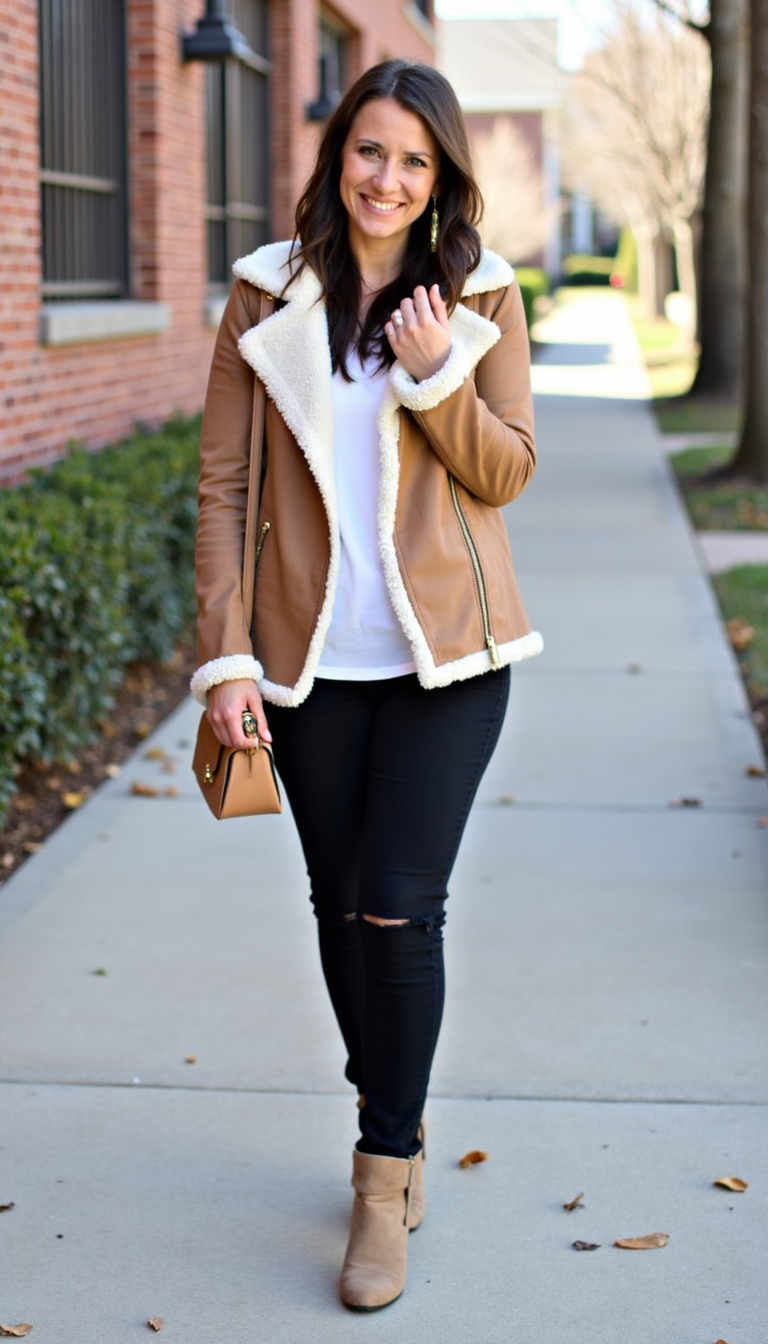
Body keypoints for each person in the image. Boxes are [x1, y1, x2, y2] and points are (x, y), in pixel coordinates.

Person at [192, 58, 541, 1312]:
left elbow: (506, 474)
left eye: (415, 161)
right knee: (342, 911)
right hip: (308, 668)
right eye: (369, 151)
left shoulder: (483, 293)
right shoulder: (263, 296)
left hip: (448, 659)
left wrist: (441, 368)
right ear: (337, 154)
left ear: (442, 176)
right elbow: (224, 489)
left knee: (398, 908)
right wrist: (226, 658)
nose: (388, 179)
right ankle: (391, 1102)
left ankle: (382, 1171)